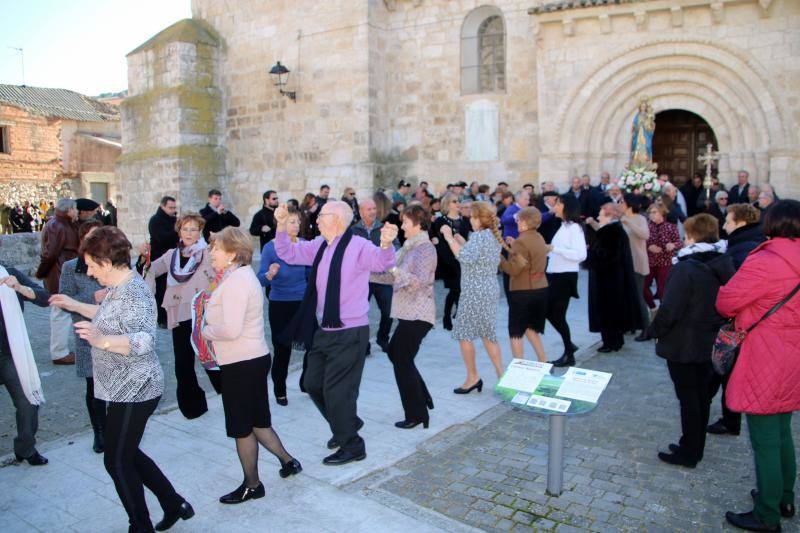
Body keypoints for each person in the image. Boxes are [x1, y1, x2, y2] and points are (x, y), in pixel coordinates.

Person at [50, 226, 193, 532]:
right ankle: (173, 503)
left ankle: (140, 527)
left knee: (116, 461)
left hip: (136, 387)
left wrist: (101, 341)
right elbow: (105, 314)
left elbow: (143, 341)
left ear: (105, 262)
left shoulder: (134, 291)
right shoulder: (118, 287)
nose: (88, 272)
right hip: (121, 386)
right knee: (127, 453)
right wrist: (73, 305)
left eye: (90, 265)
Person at [275, 200, 397, 465]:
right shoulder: (320, 245)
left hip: (350, 331)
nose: (316, 219)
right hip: (324, 329)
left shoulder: (358, 245)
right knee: (312, 383)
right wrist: (281, 225)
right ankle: (347, 422)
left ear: (337, 219)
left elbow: (381, 261)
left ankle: (353, 445)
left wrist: (386, 244)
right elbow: (288, 253)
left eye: (321, 215)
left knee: (337, 391)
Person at [196, 226, 301, 503]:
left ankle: (252, 485)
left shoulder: (237, 282)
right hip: (249, 360)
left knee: (242, 426)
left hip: (242, 363)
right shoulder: (236, 276)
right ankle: (288, 462)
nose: (211, 253)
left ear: (232, 254)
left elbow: (229, 329)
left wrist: (205, 329)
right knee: (257, 421)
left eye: (216, 248)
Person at [716, 200, 800, 532]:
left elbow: (727, 301)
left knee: (764, 438)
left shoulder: (765, 260)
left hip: (766, 352)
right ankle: (784, 497)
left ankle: (767, 515)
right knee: (781, 431)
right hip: (793, 353)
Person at [647, 214, 734, 468]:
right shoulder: (721, 259)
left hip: (686, 342)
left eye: (686, 235)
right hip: (708, 339)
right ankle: (693, 445)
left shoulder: (687, 267)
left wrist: (653, 331)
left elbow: (670, 309)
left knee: (689, 399)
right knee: (700, 397)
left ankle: (689, 451)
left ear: (693, 237)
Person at [138, 213, 220, 419]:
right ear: (179, 231)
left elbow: (226, 270)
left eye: (194, 229)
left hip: (203, 314)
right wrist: (143, 258)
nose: (189, 233)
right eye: (185, 229)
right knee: (183, 363)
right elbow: (151, 270)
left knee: (210, 358)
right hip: (179, 313)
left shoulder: (209, 253)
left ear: (200, 231)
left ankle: (231, 394)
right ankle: (192, 406)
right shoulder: (171, 255)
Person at [374, 204, 437, 429]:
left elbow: (416, 283)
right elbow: (389, 275)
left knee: (400, 358)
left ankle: (417, 414)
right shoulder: (409, 247)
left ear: (418, 224)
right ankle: (422, 401)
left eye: (405, 223)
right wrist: (367, 273)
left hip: (419, 314)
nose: (402, 226)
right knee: (399, 356)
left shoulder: (425, 249)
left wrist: (392, 269)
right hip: (408, 314)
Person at [706, 203, 764, 438]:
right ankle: (729, 418)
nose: (724, 225)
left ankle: (729, 419)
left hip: (737, 322)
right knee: (725, 371)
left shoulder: (743, 248)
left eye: (728, 221)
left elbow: (736, 288)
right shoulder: (743, 243)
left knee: (723, 370)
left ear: (740, 223)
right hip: (739, 321)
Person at [440, 201, 505, 393]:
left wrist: (449, 237)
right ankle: (502, 376)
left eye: (472, 217)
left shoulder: (479, 237)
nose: (470, 220)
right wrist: (461, 240)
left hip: (474, 292)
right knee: (488, 334)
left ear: (478, 219)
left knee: (464, 335)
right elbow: (476, 255)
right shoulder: (492, 236)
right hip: (489, 288)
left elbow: (465, 258)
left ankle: (472, 377)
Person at [59, 220, 107, 453]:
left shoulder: (112, 263)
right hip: (87, 333)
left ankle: (116, 429)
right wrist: (92, 300)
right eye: (90, 236)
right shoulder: (71, 267)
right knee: (94, 386)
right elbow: (65, 301)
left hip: (114, 332)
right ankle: (99, 432)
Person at [0, 254, 50, 466]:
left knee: (28, 401)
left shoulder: (7, 272)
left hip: (10, 353)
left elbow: (44, 297)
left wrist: (19, 288)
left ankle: (25, 447)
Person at [258, 208, 309, 405]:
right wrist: (270, 274)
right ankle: (280, 389)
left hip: (302, 302)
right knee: (282, 350)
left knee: (315, 345)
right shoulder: (270, 248)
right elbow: (260, 279)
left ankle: (307, 382)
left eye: (298, 221)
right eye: (291, 222)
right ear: (280, 224)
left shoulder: (304, 245)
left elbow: (311, 274)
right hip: (280, 303)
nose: (296, 225)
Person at [585, 203, 640, 352]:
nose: (598, 217)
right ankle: (615, 341)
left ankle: (610, 342)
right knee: (613, 310)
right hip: (614, 278)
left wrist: (589, 255)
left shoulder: (609, 232)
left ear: (609, 216)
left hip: (608, 280)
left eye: (601, 214)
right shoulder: (615, 230)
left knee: (608, 311)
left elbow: (606, 256)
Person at [499, 207, 549, 362]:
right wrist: (514, 247)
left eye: (519, 220)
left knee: (515, 332)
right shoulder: (539, 237)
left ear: (526, 223)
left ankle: (519, 368)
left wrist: (500, 259)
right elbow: (530, 257)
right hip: (540, 288)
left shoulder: (521, 242)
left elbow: (513, 269)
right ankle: (543, 360)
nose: (517, 222)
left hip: (523, 292)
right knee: (530, 328)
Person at [36, 198, 79, 365]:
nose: (76, 212)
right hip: (60, 276)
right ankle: (59, 353)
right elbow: (50, 254)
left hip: (63, 274)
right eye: (74, 209)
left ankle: (61, 350)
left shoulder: (63, 224)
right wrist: (42, 273)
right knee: (60, 314)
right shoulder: (57, 226)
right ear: (68, 210)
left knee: (62, 313)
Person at [352, 198, 399, 354]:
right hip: (362, 280)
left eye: (374, 208)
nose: (373, 211)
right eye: (369, 209)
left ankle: (382, 338)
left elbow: (396, 248)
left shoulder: (384, 228)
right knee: (360, 313)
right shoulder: (352, 231)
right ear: (360, 212)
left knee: (389, 310)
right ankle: (363, 344)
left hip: (382, 278)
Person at [546, 195, 586, 367]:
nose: (555, 206)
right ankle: (569, 346)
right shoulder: (564, 227)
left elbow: (580, 255)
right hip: (555, 275)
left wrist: (555, 249)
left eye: (559, 203)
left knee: (557, 315)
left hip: (565, 276)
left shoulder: (574, 228)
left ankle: (569, 353)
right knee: (550, 312)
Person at [431, 192, 470, 331]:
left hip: (462, 259)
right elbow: (433, 236)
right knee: (456, 288)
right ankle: (450, 316)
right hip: (447, 261)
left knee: (459, 289)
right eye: (454, 201)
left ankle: (453, 315)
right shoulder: (440, 221)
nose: (457, 203)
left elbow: (466, 240)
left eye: (458, 201)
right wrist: (435, 241)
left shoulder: (465, 221)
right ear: (447, 204)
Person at [619, 194, 652, 341]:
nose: (619, 203)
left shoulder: (640, 219)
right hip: (625, 263)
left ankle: (646, 328)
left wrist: (629, 223)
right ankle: (630, 324)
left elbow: (645, 234)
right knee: (626, 296)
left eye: (622, 201)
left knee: (638, 296)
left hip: (637, 262)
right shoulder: (620, 219)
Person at [147, 196, 179, 329]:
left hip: (175, 258)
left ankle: (173, 316)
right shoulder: (155, 220)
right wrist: (178, 232)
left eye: (174, 208)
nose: (173, 210)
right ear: (163, 206)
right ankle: (162, 318)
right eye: (170, 208)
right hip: (160, 258)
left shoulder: (175, 220)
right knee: (161, 290)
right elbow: (162, 238)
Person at [643, 203, 681, 313]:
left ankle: (664, 312)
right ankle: (653, 308)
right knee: (643, 287)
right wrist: (648, 247)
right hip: (650, 262)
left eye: (654, 212)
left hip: (665, 262)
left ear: (662, 213)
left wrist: (673, 245)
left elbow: (679, 242)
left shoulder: (670, 227)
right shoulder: (647, 227)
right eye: (650, 212)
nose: (651, 215)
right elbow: (641, 243)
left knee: (662, 290)